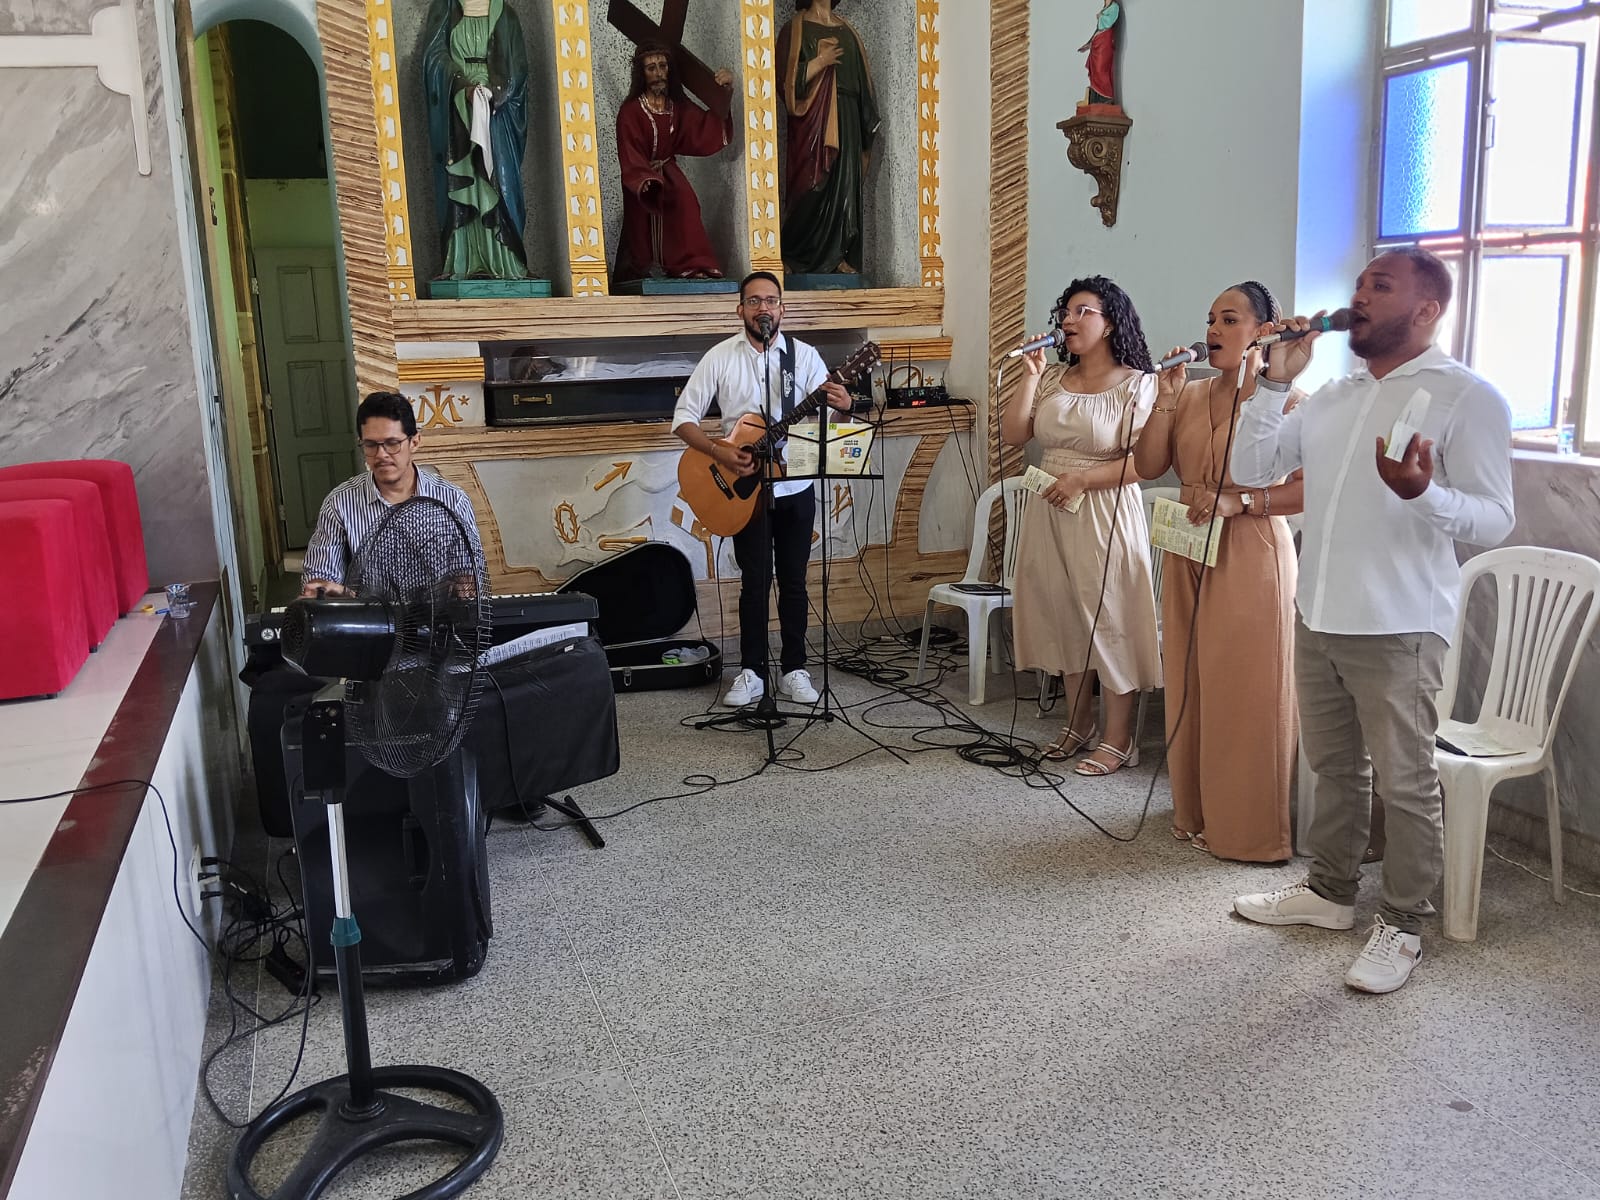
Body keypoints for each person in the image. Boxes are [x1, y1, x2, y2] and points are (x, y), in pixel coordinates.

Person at [1230, 248, 1515, 994]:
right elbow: (1251, 471)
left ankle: (1402, 924)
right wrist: (1273, 384)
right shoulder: (1332, 395)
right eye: (1358, 283)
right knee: (1335, 769)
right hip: (1320, 611)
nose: (1359, 296)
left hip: (1399, 623)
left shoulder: (1466, 397)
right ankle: (1330, 894)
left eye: (1379, 286)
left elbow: (1496, 518)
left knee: (1406, 783)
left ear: (1426, 310)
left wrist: (1425, 494)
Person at [1135, 281, 1303, 861]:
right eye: (1211, 319)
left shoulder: (1289, 401)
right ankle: (1196, 808)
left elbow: (1308, 488)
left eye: (1229, 320)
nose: (1213, 330)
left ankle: (1250, 829)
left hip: (1250, 546)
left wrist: (1242, 501)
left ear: (1263, 332)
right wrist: (1164, 397)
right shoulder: (1190, 393)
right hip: (1187, 542)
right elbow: (1149, 465)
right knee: (1192, 679)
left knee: (1244, 686)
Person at [1003, 276, 1162, 777]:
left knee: (1109, 616)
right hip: (1049, 504)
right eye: (1065, 313)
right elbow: (1013, 435)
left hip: (1103, 506)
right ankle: (1078, 723)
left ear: (1110, 322)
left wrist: (1083, 480)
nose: (1068, 321)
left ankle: (1120, 738)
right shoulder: (1053, 378)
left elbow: (1147, 463)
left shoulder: (1139, 384)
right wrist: (1031, 376)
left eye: (1081, 312)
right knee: (1063, 613)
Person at [671, 271, 852, 707]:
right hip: (744, 492)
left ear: (782, 309)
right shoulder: (720, 357)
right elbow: (683, 419)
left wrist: (845, 408)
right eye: (754, 301)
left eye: (771, 300)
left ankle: (794, 669)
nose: (763, 308)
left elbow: (830, 425)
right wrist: (719, 451)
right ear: (740, 310)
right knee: (754, 582)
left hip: (795, 487)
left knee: (794, 582)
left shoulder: (803, 357)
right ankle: (751, 671)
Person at [301, 392, 485, 597]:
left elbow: (471, 581)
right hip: (364, 616)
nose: (381, 455)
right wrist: (330, 591)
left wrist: (463, 588)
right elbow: (319, 580)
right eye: (371, 445)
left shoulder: (453, 500)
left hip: (437, 617)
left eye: (392, 443)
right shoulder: (339, 504)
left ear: (414, 442)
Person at [422, 0, 532, 280]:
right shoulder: (445, 9)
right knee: (465, 176)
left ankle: (507, 263)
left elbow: (519, 68)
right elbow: (434, 57)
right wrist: (461, 85)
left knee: (498, 177)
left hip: (496, 110)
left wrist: (497, 91)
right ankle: (462, 261)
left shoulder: (506, 15)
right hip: (458, 104)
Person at [614, 44, 736, 283]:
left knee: (687, 203)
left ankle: (691, 264)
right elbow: (628, 150)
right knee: (642, 220)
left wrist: (724, 92)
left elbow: (703, 127)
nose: (658, 73)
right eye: (651, 68)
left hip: (668, 169)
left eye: (663, 66)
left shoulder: (676, 107)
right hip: (640, 178)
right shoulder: (630, 111)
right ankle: (643, 267)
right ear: (641, 73)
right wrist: (644, 178)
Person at [776, 0, 880, 276]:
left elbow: (862, 84)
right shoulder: (794, 29)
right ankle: (793, 253)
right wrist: (819, 62)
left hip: (848, 116)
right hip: (814, 118)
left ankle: (838, 256)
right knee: (812, 186)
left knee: (845, 186)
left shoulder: (848, 31)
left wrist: (867, 121)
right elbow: (783, 81)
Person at [1076, 0, 1121, 107]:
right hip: (1097, 43)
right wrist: (1089, 43)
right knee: (1095, 70)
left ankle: (1106, 97)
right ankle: (1094, 100)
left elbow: (1109, 22)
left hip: (1105, 42)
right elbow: (1098, 29)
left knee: (1101, 68)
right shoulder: (1104, 8)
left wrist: (1101, 16)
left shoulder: (1114, 7)